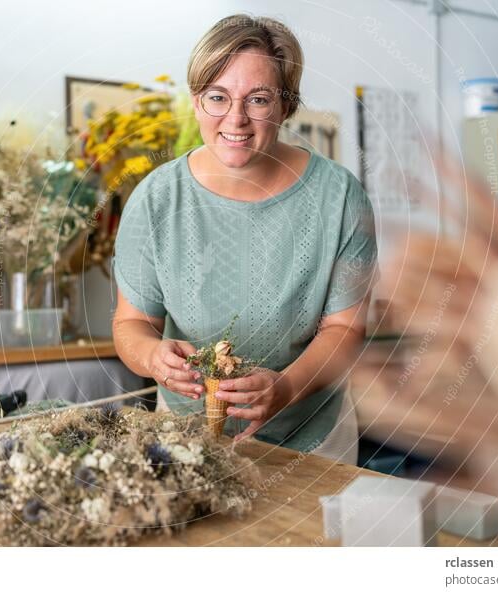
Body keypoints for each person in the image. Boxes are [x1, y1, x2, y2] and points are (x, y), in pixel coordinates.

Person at [111, 14, 377, 462]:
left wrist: (287, 387)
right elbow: (131, 325)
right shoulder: (155, 199)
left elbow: (346, 328)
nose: (235, 119)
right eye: (217, 97)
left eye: (258, 99)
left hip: (314, 440)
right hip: (184, 441)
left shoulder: (340, 197)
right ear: (196, 102)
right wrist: (153, 357)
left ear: (286, 106)